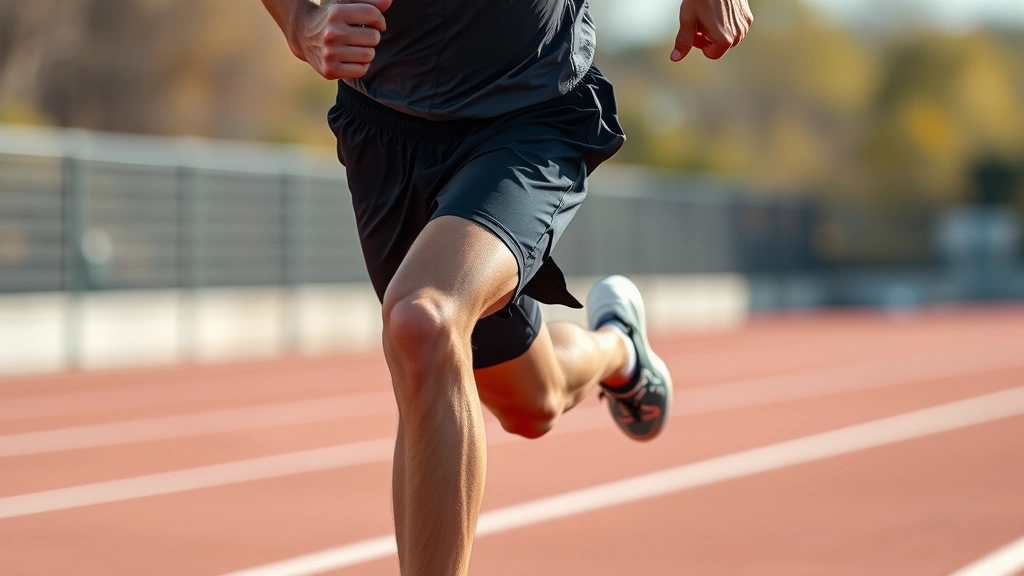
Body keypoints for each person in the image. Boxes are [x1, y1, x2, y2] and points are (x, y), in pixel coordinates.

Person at [260, 0, 753, 573]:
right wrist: (301, 21)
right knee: (532, 402)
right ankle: (619, 349)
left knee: (424, 318)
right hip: (385, 127)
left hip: (528, 113)